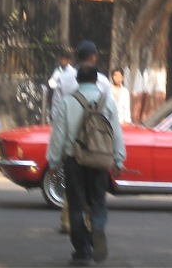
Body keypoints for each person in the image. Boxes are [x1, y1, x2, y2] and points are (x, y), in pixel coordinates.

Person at [46, 41, 126, 266]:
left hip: (74, 161)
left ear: (78, 80)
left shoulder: (68, 102)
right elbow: (116, 132)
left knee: (76, 205)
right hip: (100, 160)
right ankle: (97, 229)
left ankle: (82, 250)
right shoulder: (107, 101)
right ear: (97, 81)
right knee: (98, 201)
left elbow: (58, 134)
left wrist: (53, 162)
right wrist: (118, 159)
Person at [55, 45, 112, 235]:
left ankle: (79, 246)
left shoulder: (63, 81)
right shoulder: (103, 82)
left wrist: (54, 157)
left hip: (73, 152)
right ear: (94, 57)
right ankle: (95, 228)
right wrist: (118, 156)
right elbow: (112, 124)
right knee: (97, 197)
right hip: (99, 150)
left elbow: (56, 118)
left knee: (74, 197)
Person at [48, 49, 74, 123]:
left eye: (64, 59)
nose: (62, 61)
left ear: (68, 60)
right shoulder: (57, 71)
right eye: (61, 59)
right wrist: (57, 85)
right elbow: (51, 82)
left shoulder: (72, 72)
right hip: (57, 102)